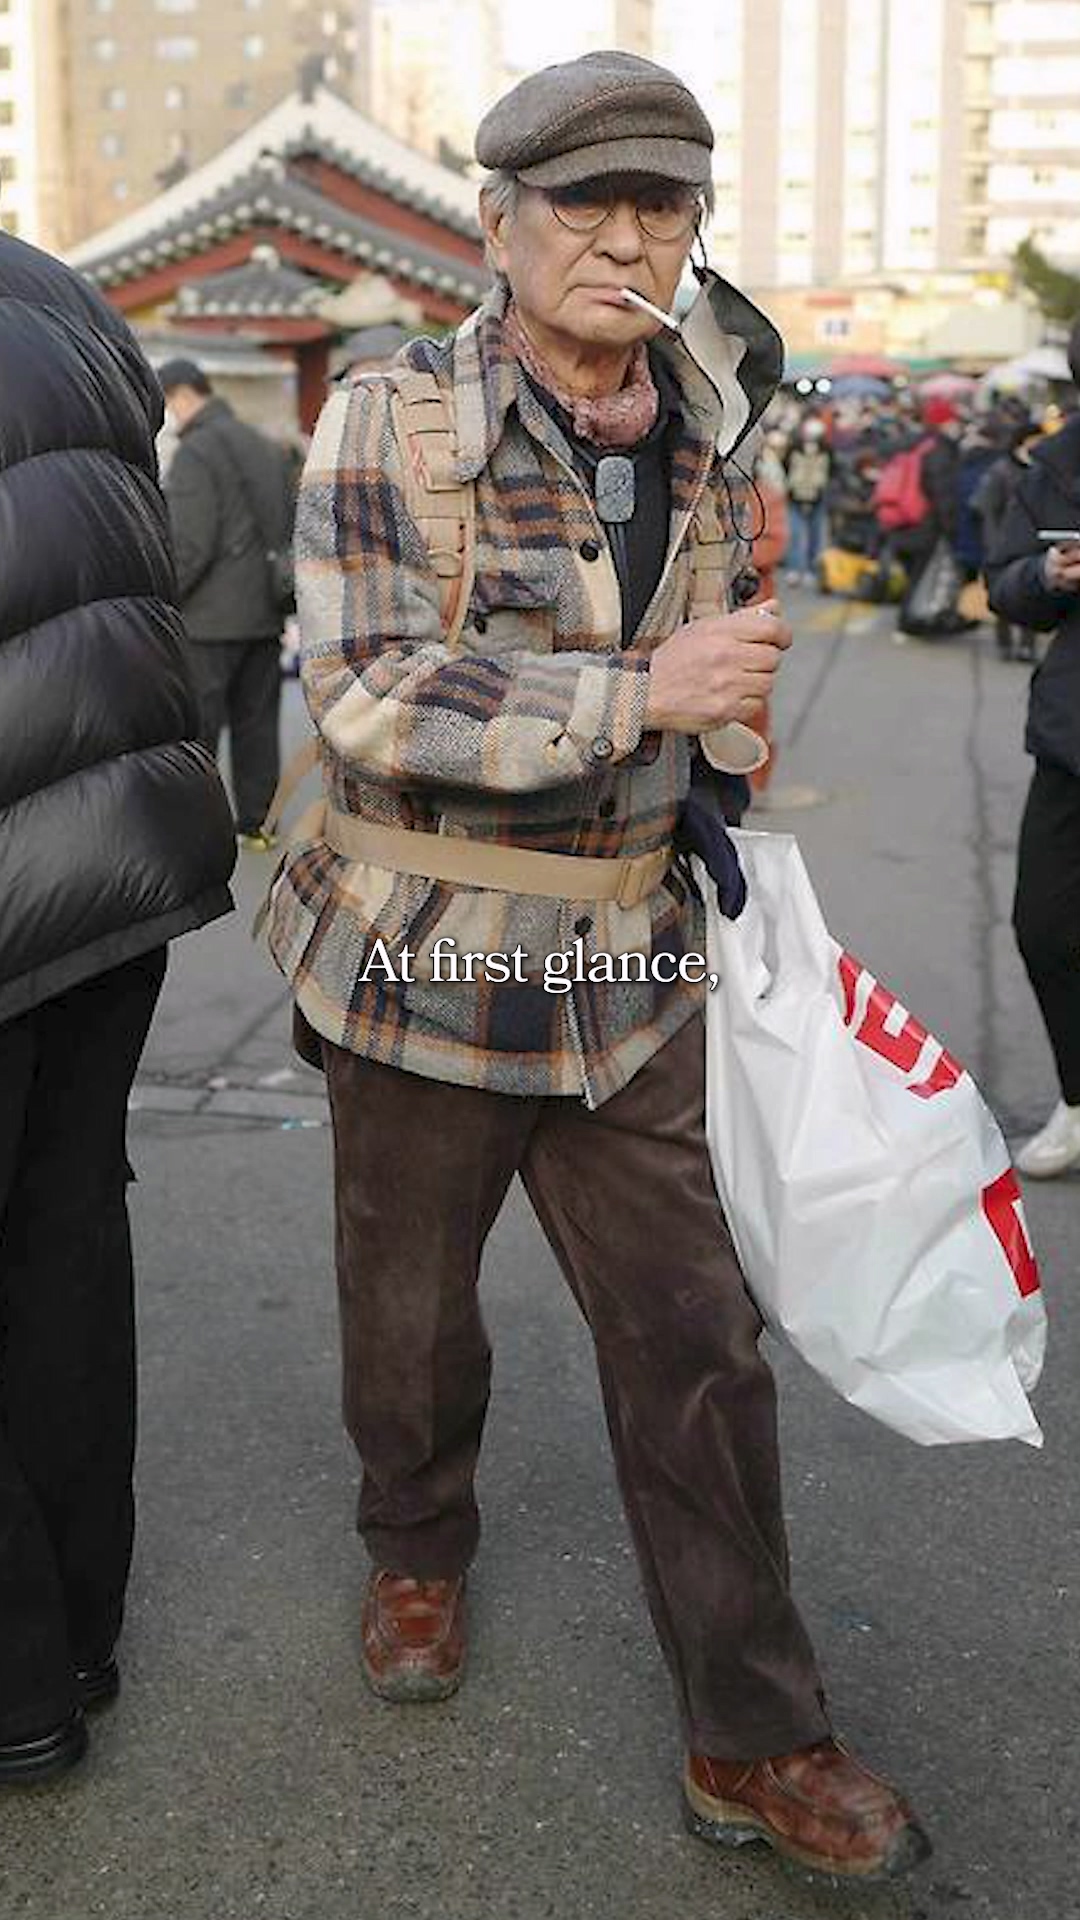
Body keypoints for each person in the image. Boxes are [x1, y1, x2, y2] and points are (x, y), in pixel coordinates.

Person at [265, 50, 930, 1882]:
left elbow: (715, 660)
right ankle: (417, 1545)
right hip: (418, 958)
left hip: (628, 966)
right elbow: (367, 693)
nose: (627, 241)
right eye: (587, 205)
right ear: (499, 226)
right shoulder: (387, 423)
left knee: (698, 1345)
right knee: (408, 1321)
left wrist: (724, 735)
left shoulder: (721, 426)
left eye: (664, 208)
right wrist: (639, 694)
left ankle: (760, 1735)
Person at [0, 231, 236, 1782]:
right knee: (64, 1253)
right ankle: (80, 1626)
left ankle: (19, 1692)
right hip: (120, 848)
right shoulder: (67, 292)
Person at [986, 318, 1080, 1177]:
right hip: (1072, 742)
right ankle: (1078, 1101)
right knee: (1043, 925)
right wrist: (1045, 579)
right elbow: (1005, 583)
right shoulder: (1056, 465)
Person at [158, 359, 296, 850]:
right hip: (263, 613)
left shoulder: (196, 453)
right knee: (257, 725)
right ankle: (258, 823)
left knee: (199, 729)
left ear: (179, 396)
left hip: (209, 622)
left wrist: (165, 598)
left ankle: (197, 830)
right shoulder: (263, 445)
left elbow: (191, 544)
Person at [975, 420, 1041, 662]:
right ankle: (1005, 643)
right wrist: (994, 545)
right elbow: (987, 509)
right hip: (1003, 544)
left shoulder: (1043, 470)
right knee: (1004, 595)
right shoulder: (1001, 470)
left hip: (1034, 545)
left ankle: (1027, 645)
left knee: (1033, 596)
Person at [783, 413, 832, 585]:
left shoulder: (827, 450)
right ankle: (794, 569)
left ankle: (810, 569)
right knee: (795, 535)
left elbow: (831, 472)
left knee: (815, 536)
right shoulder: (794, 448)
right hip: (795, 497)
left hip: (817, 498)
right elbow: (786, 468)